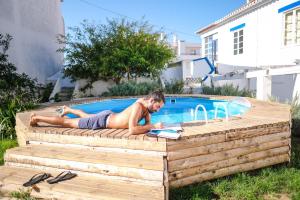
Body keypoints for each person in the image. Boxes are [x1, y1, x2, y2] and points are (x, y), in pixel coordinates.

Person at [30, 91, 165, 135]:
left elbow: (147, 123)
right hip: (102, 121)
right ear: (151, 100)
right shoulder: (138, 106)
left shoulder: (146, 107)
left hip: (107, 116)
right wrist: (153, 126)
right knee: (68, 122)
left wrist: (149, 122)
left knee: (86, 116)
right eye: (157, 106)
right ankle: (37, 117)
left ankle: (68, 109)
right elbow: (132, 129)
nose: (158, 110)